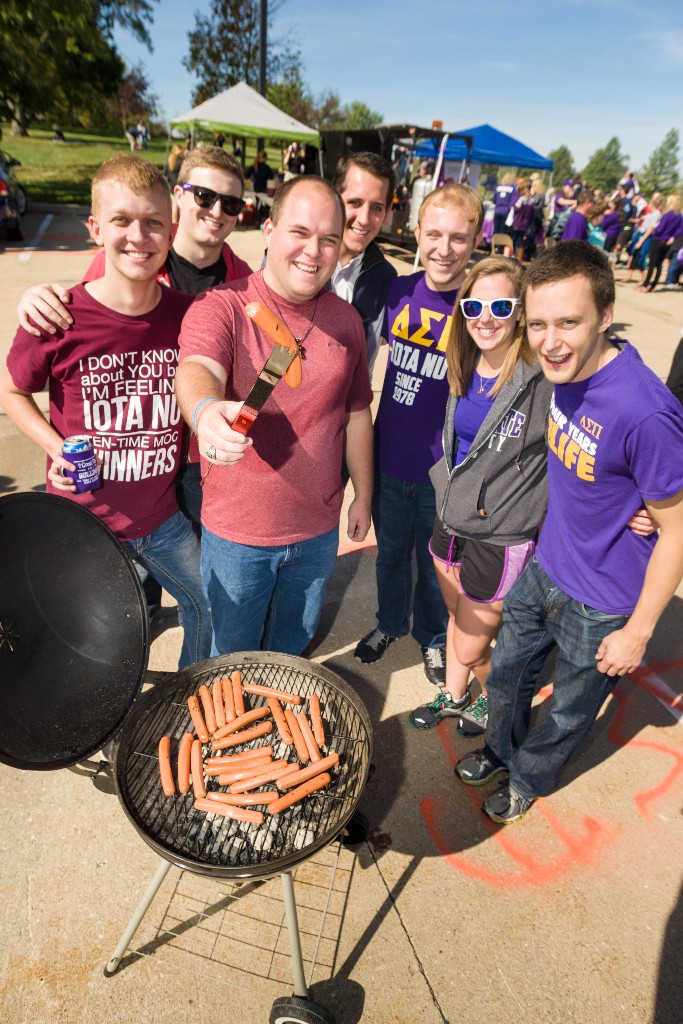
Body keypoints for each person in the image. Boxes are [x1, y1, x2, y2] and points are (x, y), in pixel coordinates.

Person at [455, 241, 683, 824]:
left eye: (569, 322)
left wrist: (639, 630)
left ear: (605, 317)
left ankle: (529, 777)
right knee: (506, 676)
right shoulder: (558, 369)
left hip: (604, 603)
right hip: (545, 568)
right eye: (537, 324)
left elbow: (678, 529)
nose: (550, 341)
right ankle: (501, 751)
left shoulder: (645, 410)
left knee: (568, 714)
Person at [0, 155, 212, 670]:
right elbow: (11, 390)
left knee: (209, 603)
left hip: (162, 518)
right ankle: (112, 720)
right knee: (97, 633)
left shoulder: (189, 316)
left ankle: (184, 699)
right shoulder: (57, 316)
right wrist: (56, 447)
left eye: (153, 222)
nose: (137, 235)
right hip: (81, 523)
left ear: (171, 230)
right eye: (121, 220)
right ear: (96, 228)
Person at [175, 176, 374, 656]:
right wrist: (205, 412)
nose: (314, 250)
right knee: (229, 657)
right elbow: (197, 368)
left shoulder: (347, 321)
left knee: (291, 650)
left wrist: (364, 493)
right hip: (239, 536)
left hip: (318, 535)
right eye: (299, 232)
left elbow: (356, 414)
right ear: (268, 229)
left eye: (329, 239)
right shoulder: (222, 306)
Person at [16, 145, 252, 526]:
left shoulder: (243, 282)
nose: (216, 211)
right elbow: (80, 329)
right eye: (205, 196)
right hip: (127, 475)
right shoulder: (125, 259)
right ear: (179, 197)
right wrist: (34, 299)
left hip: (199, 457)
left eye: (231, 204)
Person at [409, 257, 552, 734]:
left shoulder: (542, 377)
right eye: (474, 305)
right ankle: (454, 695)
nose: (485, 317)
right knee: (455, 615)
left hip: (499, 530)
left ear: (520, 311)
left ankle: (500, 701)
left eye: (499, 305)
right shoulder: (465, 361)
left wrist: (634, 503)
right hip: (450, 514)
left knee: (472, 644)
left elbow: (600, 431)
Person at [354, 184, 484, 685]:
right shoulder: (398, 291)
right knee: (389, 556)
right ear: (416, 233)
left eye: (457, 237)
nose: (444, 248)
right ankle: (389, 623)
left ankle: (432, 637)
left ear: (475, 240)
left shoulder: (479, 308)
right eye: (434, 234)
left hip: (442, 471)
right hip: (389, 458)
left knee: (434, 566)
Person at [330, 152, 397, 375]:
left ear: (387, 214)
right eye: (355, 203)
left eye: (376, 207)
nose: (364, 218)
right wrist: (250, 409)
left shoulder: (388, 281)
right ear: (334, 198)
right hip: (277, 401)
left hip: (347, 408)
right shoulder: (296, 260)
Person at [639, 194, 683, 293]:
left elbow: (660, 229)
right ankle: (653, 285)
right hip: (668, 242)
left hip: (658, 239)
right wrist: (673, 237)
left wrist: (654, 229)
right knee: (659, 265)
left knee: (652, 264)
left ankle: (646, 285)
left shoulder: (668, 214)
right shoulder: (679, 215)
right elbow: (681, 228)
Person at [492, 172, 517, 237]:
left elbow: (494, 199)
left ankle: (493, 244)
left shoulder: (498, 187)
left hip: (497, 210)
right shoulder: (512, 189)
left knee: (495, 229)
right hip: (505, 211)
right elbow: (513, 201)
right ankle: (500, 246)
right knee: (502, 230)